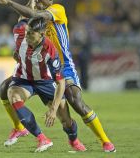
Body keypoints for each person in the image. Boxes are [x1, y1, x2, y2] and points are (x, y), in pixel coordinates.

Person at [0, 0, 116, 152]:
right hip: (42, 66)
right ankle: (19, 128)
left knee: (75, 101)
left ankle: (105, 141)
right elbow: (24, 18)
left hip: (63, 65)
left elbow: (33, 14)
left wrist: (9, 2)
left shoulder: (57, 10)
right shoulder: (35, 16)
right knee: (6, 88)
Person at [7, 16, 85, 152]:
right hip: (24, 80)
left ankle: (74, 140)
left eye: (31, 33)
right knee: (13, 96)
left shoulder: (49, 49)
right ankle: (42, 139)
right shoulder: (20, 35)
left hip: (46, 82)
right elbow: (21, 17)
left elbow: (60, 82)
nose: (27, 36)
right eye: (27, 32)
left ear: (41, 34)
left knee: (66, 120)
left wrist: (53, 110)